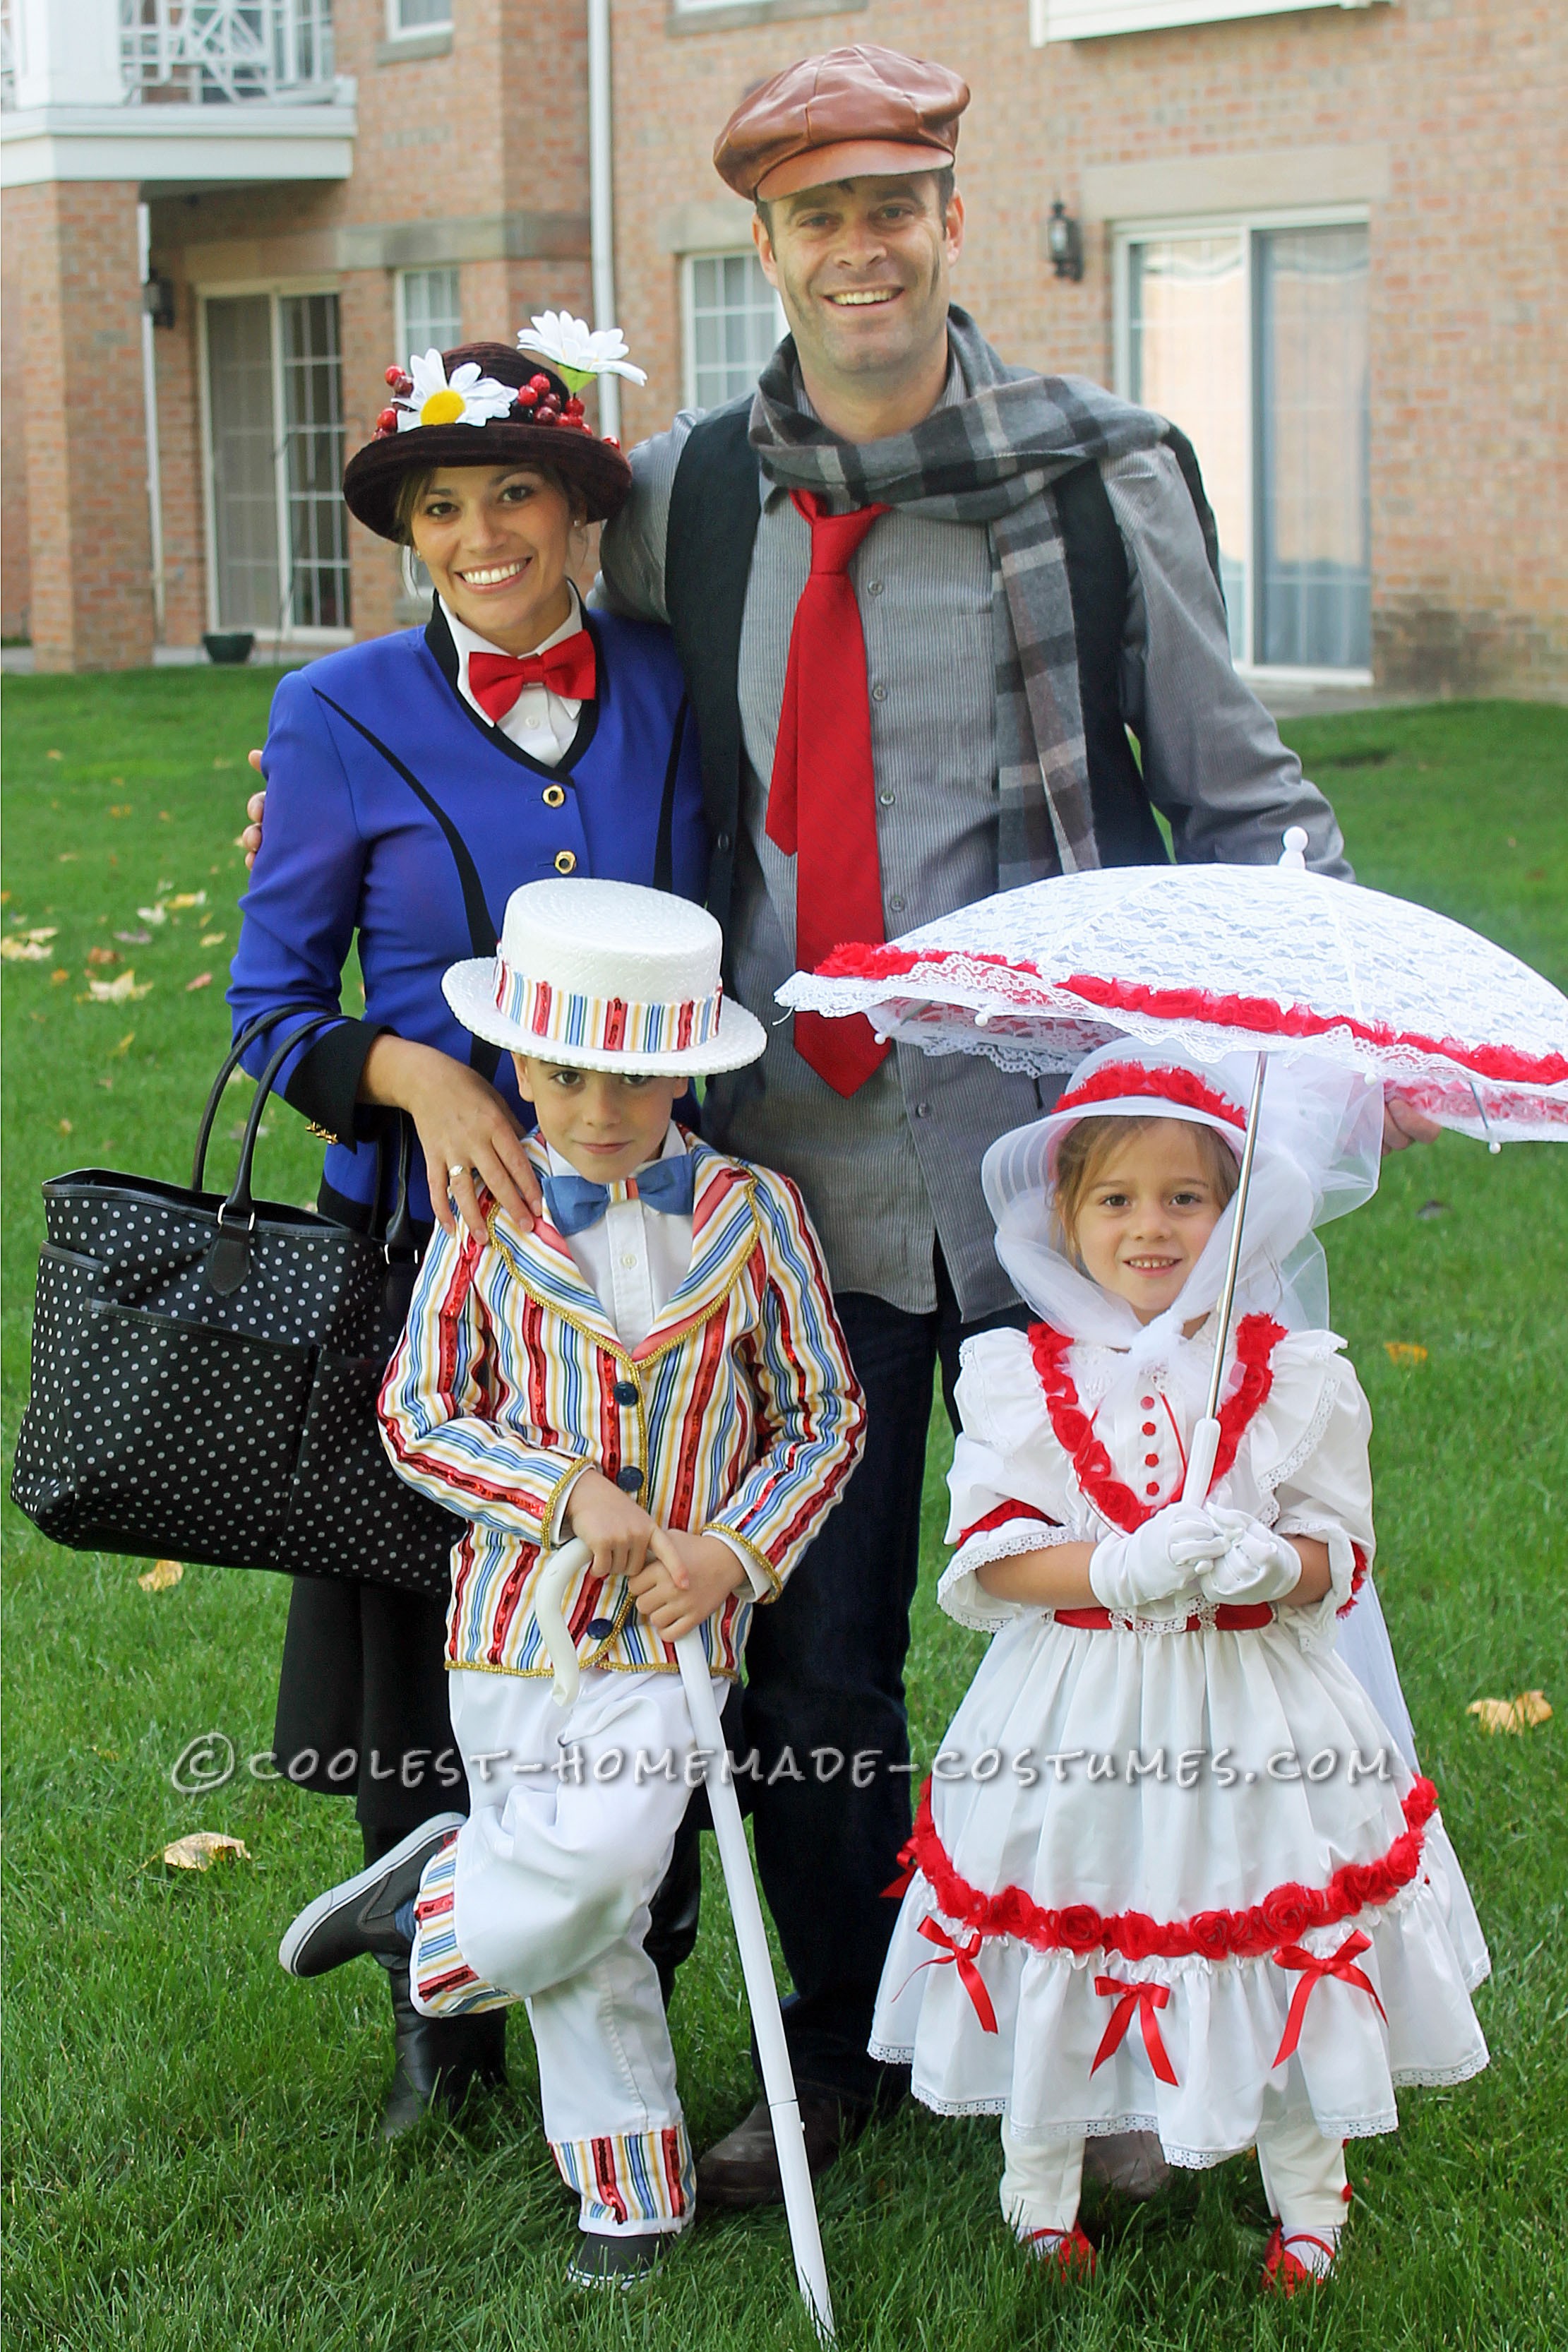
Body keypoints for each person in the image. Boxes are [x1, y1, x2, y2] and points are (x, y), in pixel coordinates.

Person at [238, 44, 1437, 2199]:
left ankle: (1136, 2011)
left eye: (893, 200)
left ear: (946, 214)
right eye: (813, 215)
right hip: (787, 1170)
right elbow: (562, 716)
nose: (859, 244)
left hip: (1061, 1169)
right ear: (763, 248)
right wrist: (359, 874)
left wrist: (1321, 1025)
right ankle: (857, 2020)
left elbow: (1248, 802)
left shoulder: (1093, 472)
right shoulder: (699, 491)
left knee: (1108, 1606)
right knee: (810, 1642)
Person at [227, 324, 707, 2135]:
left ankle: (632, 1963)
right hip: (439, 1259)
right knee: (446, 1621)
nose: (483, 531)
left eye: (517, 491)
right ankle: (450, 2009)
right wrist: (417, 1080)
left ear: (583, 512)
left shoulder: (668, 683)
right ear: (410, 533)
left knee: (639, 1604)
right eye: (443, 503)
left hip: (651, 1250)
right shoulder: (334, 712)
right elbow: (273, 1004)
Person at [274, 879, 866, 2288]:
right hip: (510, 1628)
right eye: (561, 1072)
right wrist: (563, 1492)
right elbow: (420, 1413)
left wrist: (727, 1552)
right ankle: (629, 2184)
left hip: (673, 1640)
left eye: (634, 1076)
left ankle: (440, 1908)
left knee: (609, 1864)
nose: (597, 1109)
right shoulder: (484, 1216)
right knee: (588, 1936)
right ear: (516, 1066)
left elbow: (825, 1415)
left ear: (687, 1073)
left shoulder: (757, 1215)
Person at [868, 1044, 1490, 2288]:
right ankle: (1039, 2184)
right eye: (1116, 1200)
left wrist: (1271, 1564)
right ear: (1066, 1217)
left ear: (1234, 1215)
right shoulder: (1018, 1381)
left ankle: (1307, 2193)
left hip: (1258, 1708)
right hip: (1076, 1708)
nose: (1150, 1227)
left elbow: (1338, 1556)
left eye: (1185, 1199)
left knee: (1274, 1914)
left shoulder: (1293, 1378)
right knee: (1066, 1911)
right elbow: (988, 1564)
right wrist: (1113, 1572)